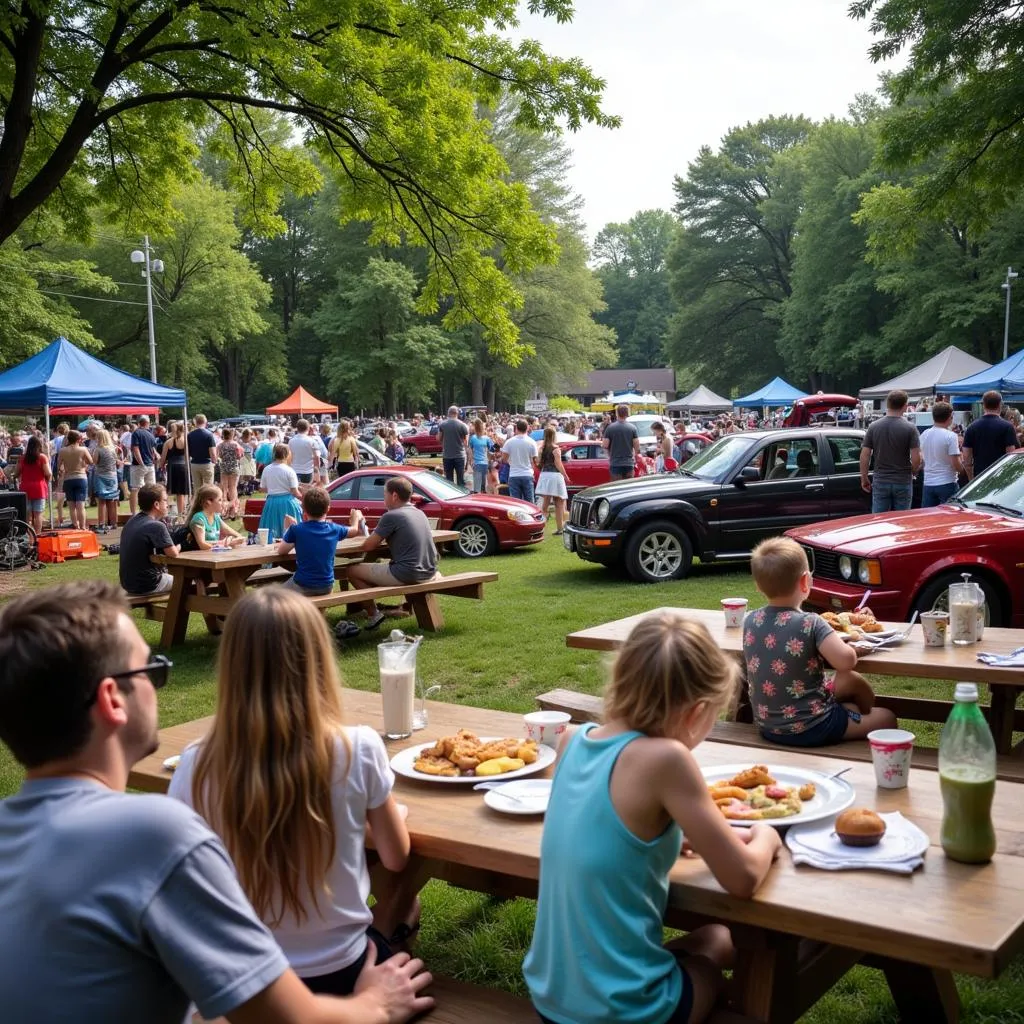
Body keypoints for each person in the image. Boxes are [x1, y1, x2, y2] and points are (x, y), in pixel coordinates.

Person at [0, 580, 434, 1023]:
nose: (157, 683)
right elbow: (284, 1019)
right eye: (150, 669)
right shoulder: (154, 835)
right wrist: (374, 1006)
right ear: (113, 699)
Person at [524, 611, 781, 1024]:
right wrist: (767, 835)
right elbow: (743, 879)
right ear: (697, 711)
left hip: (552, 999)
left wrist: (671, 838)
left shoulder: (573, 741)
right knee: (719, 948)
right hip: (625, 1012)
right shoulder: (668, 759)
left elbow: (606, 826)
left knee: (710, 939)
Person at [169, 587, 424, 997]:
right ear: (319, 660)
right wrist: (379, 817)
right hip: (341, 972)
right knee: (405, 893)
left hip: (247, 981)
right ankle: (397, 934)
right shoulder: (357, 747)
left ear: (231, 666)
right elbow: (397, 857)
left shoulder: (194, 765)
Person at [745, 537, 897, 746]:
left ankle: (857, 715)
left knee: (847, 681)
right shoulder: (811, 623)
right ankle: (864, 715)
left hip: (768, 726)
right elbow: (846, 661)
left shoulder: (751, 620)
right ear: (805, 581)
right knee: (887, 717)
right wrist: (852, 648)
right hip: (813, 726)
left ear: (758, 586)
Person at [347, 476, 441, 631]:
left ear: (394, 496)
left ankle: (373, 613)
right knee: (371, 568)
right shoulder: (419, 513)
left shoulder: (391, 516)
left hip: (408, 573)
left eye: (384, 494)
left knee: (352, 570)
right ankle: (386, 609)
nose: (383, 498)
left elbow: (368, 546)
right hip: (429, 571)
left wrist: (355, 523)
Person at [276, 487, 364, 596]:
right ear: (328, 509)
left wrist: (288, 529)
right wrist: (356, 518)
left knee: (276, 596)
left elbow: (281, 551)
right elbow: (354, 530)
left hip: (302, 585)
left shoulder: (296, 529)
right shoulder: (334, 529)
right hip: (326, 585)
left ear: (304, 508)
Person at [859, 389, 921, 513]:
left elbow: (865, 455)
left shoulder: (873, 426)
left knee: (878, 520)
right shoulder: (910, 428)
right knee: (902, 520)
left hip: (881, 479)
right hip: (902, 480)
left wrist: (864, 477)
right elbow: (916, 457)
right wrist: (913, 471)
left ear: (888, 404)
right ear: (905, 406)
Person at [119, 484, 180, 595]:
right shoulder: (156, 526)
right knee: (190, 581)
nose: (167, 505)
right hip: (148, 583)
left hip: (127, 583)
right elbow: (173, 554)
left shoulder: (132, 520)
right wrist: (181, 545)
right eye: (165, 501)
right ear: (156, 504)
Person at [962, 390, 1017, 480]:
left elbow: (967, 458)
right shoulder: (1007, 427)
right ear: (1000, 404)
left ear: (983, 405)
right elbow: (1010, 455)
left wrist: (971, 480)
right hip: (1000, 476)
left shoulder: (972, 427)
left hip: (980, 477)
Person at [920, 401, 964, 507]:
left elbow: (922, 459)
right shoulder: (951, 436)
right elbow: (955, 463)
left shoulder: (924, 434)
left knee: (928, 518)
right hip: (947, 481)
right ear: (950, 417)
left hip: (928, 482)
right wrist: (963, 470)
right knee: (950, 516)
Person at [260, 443, 304, 541]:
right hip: (287, 502)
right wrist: (304, 498)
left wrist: (274, 488)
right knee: (291, 531)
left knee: (271, 531)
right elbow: (294, 491)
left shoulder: (266, 469)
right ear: (287, 454)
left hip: (271, 502)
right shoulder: (289, 470)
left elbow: (262, 488)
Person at [11, 434, 51, 534]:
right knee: (38, 514)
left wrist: (14, 477)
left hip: (25, 488)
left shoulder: (23, 458)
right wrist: (47, 480)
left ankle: (28, 536)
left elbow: (16, 473)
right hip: (39, 487)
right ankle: (37, 535)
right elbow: (48, 473)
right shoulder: (42, 457)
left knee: (27, 515)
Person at [535, 427, 571, 535]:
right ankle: (560, 528)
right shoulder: (556, 448)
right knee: (559, 503)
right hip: (555, 476)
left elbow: (538, 462)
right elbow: (558, 464)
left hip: (545, 475)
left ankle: (539, 528)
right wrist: (566, 476)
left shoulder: (541, 448)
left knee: (545, 504)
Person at [187, 485, 246, 551]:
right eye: (220, 500)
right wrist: (225, 544)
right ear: (208, 501)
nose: (222, 503)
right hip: (199, 558)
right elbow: (202, 545)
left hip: (212, 557)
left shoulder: (216, 517)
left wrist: (235, 539)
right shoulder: (199, 519)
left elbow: (237, 535)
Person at [56, 429, 92, 530]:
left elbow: (59, 466)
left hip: (68, 479)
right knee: (81, 504)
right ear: (79, 439)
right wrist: (83, 465)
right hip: (81, 477)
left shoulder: (62, 450)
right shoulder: (83, 449)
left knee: (71, 505)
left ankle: (75, 525)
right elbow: (91, 461)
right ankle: (83, 526)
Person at [501, 418, 538, 504]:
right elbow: (535, 460)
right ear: (528, 428)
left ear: (516, 428)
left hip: (514, 474)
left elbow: (504, 459)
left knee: (515, 503)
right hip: (527, 474)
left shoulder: (509, 442)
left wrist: (511, 461)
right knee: (530, 502)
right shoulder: (532, 442)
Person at [158, 419, 189, 516]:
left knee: (175, 492)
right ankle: (182, 512)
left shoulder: (168, 442)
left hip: (173, 467)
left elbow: (163, 458)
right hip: (184, 466)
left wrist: (161, 466)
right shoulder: (186, 441)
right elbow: (188, 456)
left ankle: (177, 512)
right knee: (183, 492)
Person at [91, 429, 121, 531]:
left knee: (102, 501)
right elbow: (117, 462)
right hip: (112, 476)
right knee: (112, 501)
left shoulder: (98, 449)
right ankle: (114, 523)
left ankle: (101, 523)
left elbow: (94, 462)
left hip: (101, 476)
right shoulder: (114, 449)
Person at [601, 404, 640, 480]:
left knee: (617, 488)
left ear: (617, 413)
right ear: (627, 414)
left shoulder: (610, 428)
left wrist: (608, 454)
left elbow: (605, 445)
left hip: (615, 463)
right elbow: (637, 447)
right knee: (628, 487)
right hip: (629, 463)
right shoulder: (633, 428)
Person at [129, 415, 158, 515]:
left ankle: (134, 514)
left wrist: (141, 463)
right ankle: (151, 512)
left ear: (139, 423)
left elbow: (135, 449)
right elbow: (153, 451)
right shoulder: (151, 434)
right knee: (151, 490)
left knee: (135, 489)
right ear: (148, 423)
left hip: (139, 465)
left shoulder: (136, 433)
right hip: (150, 465)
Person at [437, 405, 469, 486]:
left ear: (448, 413)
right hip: (460, 455)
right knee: (460, 480)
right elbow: (466, 442)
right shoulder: (463, 425)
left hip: (447, 455)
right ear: (457, 413)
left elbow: (439, 439)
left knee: (449, 481)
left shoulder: (442, 425)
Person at [187, 413, 219, 494]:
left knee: (197, 489)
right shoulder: (209, 434)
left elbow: (188, 451)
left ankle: (198, 505)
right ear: (205, 421)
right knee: (208, 489)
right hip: (206, 463)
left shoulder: (190, 435)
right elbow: (212, 451)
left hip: (194, 463)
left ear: (195, 422)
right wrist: (214, 462)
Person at [217, 427, 244, 518]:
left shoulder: (220, 445)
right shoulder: (236, 445)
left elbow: (219, 455)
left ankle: (224, 510)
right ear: (232, 435)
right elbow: (240, 456)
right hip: (234, 467)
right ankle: (233, 509)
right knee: (233, 488)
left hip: (224, 467)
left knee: (224, 489)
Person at [290, 418, 322, 488]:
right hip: (308, 471)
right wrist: (317, 470)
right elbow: (317, 456)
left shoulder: (291, 441)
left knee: (296, 491)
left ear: (297, 428)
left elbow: (289, 456)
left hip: (294, 470)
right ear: (308, 428)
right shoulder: (312, 441)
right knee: (307, 491)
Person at [468, 418, 494, 493]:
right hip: (485, 463)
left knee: (477, 487)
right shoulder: (487, 438)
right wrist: (490, 457)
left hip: (477, 463)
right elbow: (493, 449)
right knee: (483, 486)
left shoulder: (473, 438)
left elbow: (470, 450)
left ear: (475, 427)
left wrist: (470, 460)